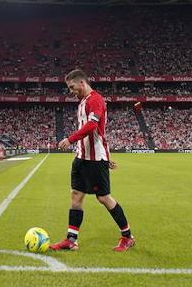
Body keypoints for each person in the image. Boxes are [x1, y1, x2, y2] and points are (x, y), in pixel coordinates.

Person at [50, 69, 135, 252]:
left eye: (72, 87)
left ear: (82, 83)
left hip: (95, 160)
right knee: (76, 196)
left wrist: (70, 139)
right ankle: (71, 240)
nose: (71, 91)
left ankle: (127, 237)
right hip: (81, 157)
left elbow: (93, 126)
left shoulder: (96, 99)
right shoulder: (82, 102)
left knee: (103, 198)